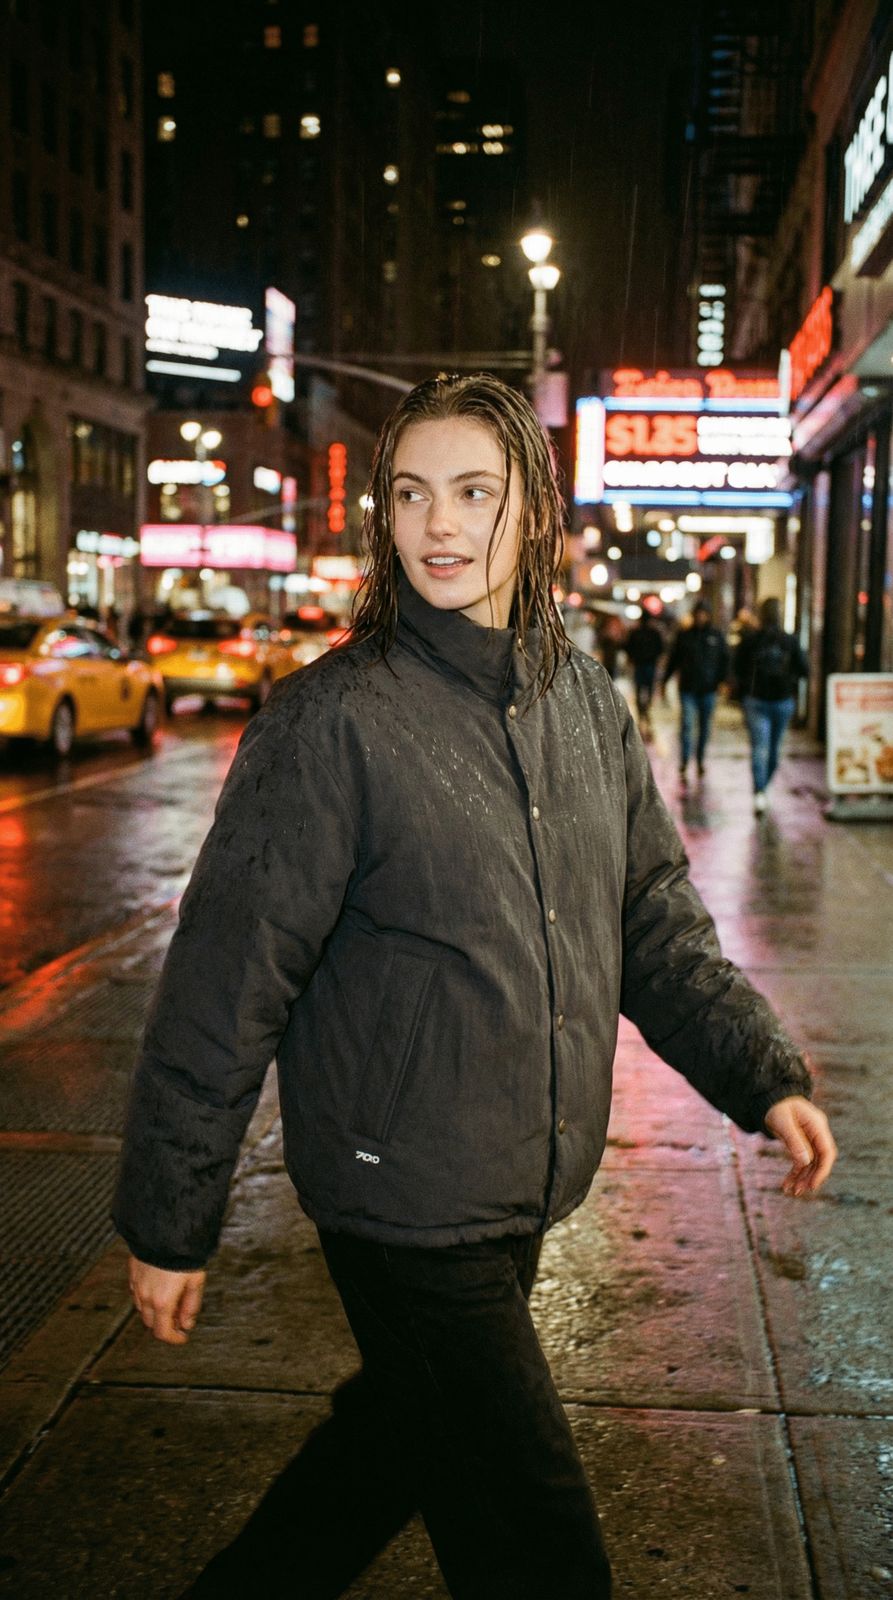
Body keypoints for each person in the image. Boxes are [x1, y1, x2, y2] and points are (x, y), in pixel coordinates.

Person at [113, 375, 836, 1600]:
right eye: (410, 495)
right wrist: (170, 1216)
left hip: (516, 1179)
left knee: (387, 1451)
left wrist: (756, 1072)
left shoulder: (582, 705)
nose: (438, 526)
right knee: (535, 1542)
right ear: (382, 521)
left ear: (532, 514)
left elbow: (649, 920)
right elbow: (226, 978)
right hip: (401, 1199)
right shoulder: (332, 719)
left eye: (471, 493)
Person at [735, 596, 809, 814]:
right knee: (774, 749)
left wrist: (744, 694)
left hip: (757, 699)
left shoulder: (751, 640)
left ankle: (760, 791)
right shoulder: (790, 641)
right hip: (781, 700)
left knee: (760, 747)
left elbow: (737, 669)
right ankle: (763, 788)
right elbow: (804, 669)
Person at [663, 600, 730, 784]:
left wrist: (723, 681)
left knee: (705, 727)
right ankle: (684, 760)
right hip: (688, 689)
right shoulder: (684, 636)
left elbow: (725, 660)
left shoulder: (716, 636)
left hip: (708, 690)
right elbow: (674, 660)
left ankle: (700, 759)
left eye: (704, 613)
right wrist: (664, 680)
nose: (701, 616)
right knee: (687, 725)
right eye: (698, 613)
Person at [623, 611, 664, 738]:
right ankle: (645, 713)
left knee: (641, 691)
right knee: (646, 692)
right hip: (646, 666)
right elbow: (660, 649)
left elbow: (628, 648)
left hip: (641, 665)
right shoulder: (652, 633)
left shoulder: (637, 633)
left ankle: (644, 713)